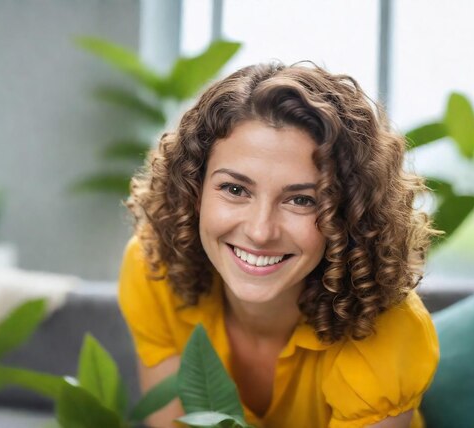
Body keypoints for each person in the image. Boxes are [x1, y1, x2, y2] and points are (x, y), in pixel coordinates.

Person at [118, 62, 439, 428]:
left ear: (348, 216)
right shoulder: (154, 267)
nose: (260, 231)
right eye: (235, 189)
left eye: (301, 200)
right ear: (194, 192)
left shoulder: (389, 332)